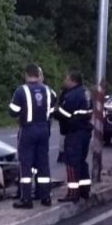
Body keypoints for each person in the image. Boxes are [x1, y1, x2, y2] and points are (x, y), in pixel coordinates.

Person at [9, 63, 56, 208]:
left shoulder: (21, 90)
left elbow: (13, 111)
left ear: (26, 74)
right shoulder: (48, 91)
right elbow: (53, 109)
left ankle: (26, 198)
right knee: (43, 163)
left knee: (26, 165)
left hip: (28, 129)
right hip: (43, 129)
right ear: (38, 75)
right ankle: (45, 196)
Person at [54, 69, 93, 202]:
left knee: (71, 163)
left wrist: (53, 112)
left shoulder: (72, 96)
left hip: (74, 132)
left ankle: (73, 193)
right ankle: (84, 190)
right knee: (81, 162)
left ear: (72, 80)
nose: (64, 80)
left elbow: (63, 114)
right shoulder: (85, 92)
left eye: (66, 78)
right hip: (84, 131)